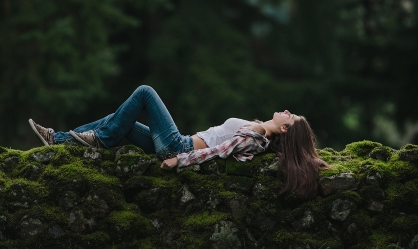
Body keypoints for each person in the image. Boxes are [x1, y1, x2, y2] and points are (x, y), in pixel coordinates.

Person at [29, 85, 328, 199]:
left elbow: (218, 151)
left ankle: (94, 140)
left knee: (145, 93)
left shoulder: (256, 137)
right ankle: (60, 140)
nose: (286, 111)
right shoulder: (259, 129)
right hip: (177, 143)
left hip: (178, 146)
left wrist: (179, 160)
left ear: (285, 131)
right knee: (120, 118)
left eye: (290, 117)